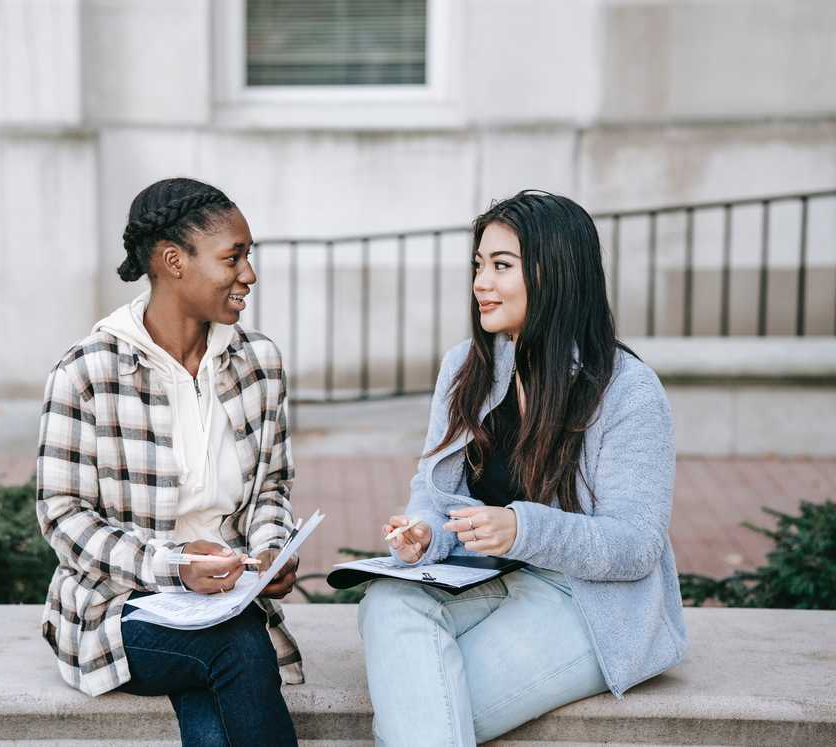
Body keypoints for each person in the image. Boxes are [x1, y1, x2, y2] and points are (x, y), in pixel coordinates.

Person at [358, 190, 688, 745]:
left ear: (555, 272)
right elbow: (432, 488)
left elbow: (636, 545)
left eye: (501, 266)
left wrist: (522, 528)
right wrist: (424, 534)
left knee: (422, 710)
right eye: (478, 265)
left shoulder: (627, 390)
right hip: (483, 576)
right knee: (389, 601)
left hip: (585, 599)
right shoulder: (466, 365)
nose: (480, 283)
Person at [36, 177, 300, 746]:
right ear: (174, 261)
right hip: (119, 607)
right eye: (234, 258)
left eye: (248, 257)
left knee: (224, 667)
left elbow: (272, 487)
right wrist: (173, 567)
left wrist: (271, 550)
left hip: (229, 602)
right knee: (235, 646)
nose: (248, 275)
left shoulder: (259, 363)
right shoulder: (87, 373)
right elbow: (62, 517)